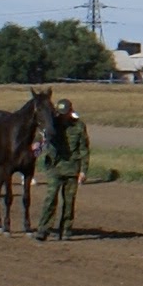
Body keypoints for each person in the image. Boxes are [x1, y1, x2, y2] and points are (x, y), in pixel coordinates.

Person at [36, 101, 93, 240]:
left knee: (69, 201)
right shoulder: (52, 125)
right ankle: (43, 229)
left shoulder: (79, 126)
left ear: (70, 112)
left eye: (64, 113)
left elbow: (84, 149)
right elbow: (40, 135)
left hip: (72, 168)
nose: (62, 116)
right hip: (54, 168)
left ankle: (66, 230)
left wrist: (83, 171)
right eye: (60, 113)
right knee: (50, 199)